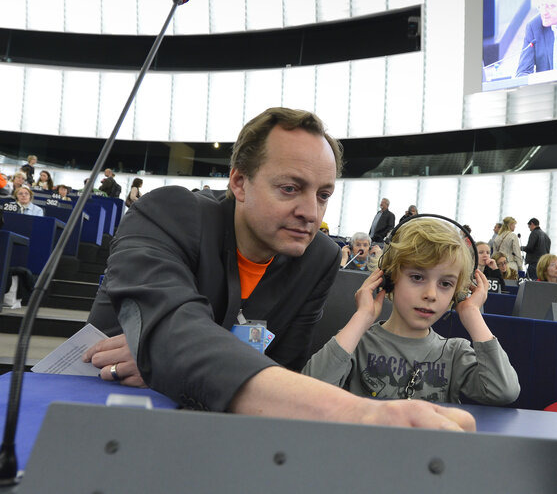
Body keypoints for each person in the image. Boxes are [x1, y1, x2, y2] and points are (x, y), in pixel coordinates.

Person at [82, 107, 474, 432]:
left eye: (322, 195)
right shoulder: (168, 213)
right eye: (290, 188)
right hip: (101, 414)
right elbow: (172, 330)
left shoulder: (318, 257)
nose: (311, 213)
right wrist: (359, 413)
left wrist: (175, 362)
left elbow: (284, 368)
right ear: (239, 181)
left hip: (225, 434)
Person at [303, 217, 519, 405]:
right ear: (389, 278)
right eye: (417, 277)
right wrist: (362, 318)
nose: (431, 294)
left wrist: (472, 314)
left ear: (457, 293)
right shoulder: (356, 343)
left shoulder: (455, 352)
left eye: (446, 284)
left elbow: (504, 391)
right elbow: (310, 392)